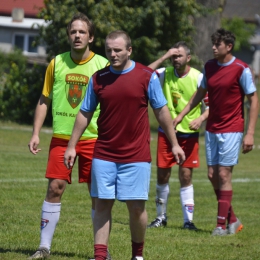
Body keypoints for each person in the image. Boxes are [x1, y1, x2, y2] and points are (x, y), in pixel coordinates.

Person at [64, 30, 186, 260]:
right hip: (104, 154)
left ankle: (137, 256)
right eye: (109, 50)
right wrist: (72, 146)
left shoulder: (146, 76)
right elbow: (84, 113)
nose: (112, 54)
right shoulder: (98, 78)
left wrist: (174, 144)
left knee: (137, 209)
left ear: (129, 50)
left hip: (136, 157)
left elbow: (161, 112)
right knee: (101, 205)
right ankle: (101, 256)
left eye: (117, 50)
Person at [27, 13, 109, 259]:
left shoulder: (103, 66)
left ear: (91, 37)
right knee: (55, 188)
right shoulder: (57, 63)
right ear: (68, 36)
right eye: (73, 31)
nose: (77, 35)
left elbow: (112, 102)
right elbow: (44, 99)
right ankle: (44, 247)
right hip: (61, 138)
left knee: (97, 195)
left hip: (93, 138)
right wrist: (35, 133)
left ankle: (101, 252)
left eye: (82, 32)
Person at [173, 28, 259, 236]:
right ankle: (233, 220)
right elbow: (199, 94)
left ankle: (221, 226)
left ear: (228, 47)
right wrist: (181, 115)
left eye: (217, 44)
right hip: (212, 128)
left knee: (223, 174)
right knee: (212, 175)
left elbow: (253, 100)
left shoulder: (241, 68)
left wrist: (250, 133)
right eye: (213, 43)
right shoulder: (209, 67)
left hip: (232, 129)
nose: (213, 47)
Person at [147, 41, 209, 230]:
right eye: (173, 56)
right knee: (162, 175)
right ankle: (160, 218)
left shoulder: (198, 77)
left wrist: (200, 119)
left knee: (185, 176)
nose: (175, 59)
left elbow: (211, 107)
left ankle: (188, 221)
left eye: (179, 55)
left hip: (189, 134)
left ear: (188, 58)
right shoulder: (164, 73)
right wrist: (164, 56)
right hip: (167, 133)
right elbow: (143, 72)